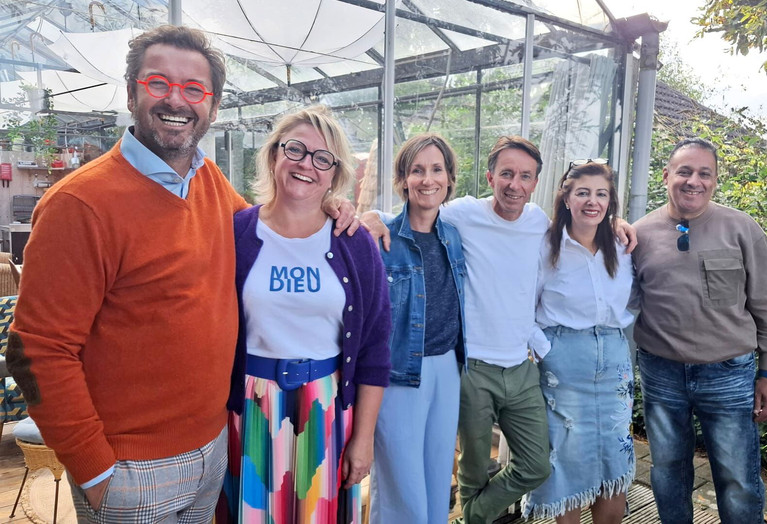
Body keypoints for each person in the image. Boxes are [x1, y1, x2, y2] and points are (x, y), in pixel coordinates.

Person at [7, 25, 247, 523]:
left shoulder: (210, 182)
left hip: (210, 451)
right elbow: (38, 351)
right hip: (130, 469)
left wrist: (338, 217)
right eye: (158, 83)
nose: (175, 100)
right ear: (134, 89)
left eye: (193, 89)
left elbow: (270, 234)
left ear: (213, 105)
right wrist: (96, 473)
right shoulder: (81, 203)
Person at [364, 137, 636, 524]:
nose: (515, 184)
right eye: (506, 173)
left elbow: (583, 230)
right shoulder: (461, 214)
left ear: (535, 183)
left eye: (525, 176)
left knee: (536, 465)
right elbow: (415, 210)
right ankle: (470, 510)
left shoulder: (540, 224)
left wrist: (615, 221)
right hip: (472, 368)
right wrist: (373, 216)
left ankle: (470, 516)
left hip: (522, 367)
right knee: (471, 468)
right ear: (490, 177)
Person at [223, 106, 391, 523]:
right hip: (249, 410)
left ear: (334, 175)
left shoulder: (354, 243)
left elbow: (375, 347)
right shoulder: (235, 233)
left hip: (327, 410)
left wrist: (364, 438)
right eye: (295, 150)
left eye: (322, 159)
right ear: (273, 155)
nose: (306, 165)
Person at [631, 137, 767, 524]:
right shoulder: (639, 235)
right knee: (667, 473)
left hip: (729, 374)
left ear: (716, 181)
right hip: (661, 373)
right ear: (666, 176)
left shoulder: (741, 229)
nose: (693, 181)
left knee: (738, 478)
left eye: (704, 173)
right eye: (684, 171)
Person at [523, 161, 636, 524]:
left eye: (601, 194)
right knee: (568, 459)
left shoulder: (622, 245)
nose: (593, 201)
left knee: (614, 458)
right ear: (567, 198)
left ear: (611, 202)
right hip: (564, 364)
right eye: (583, 193)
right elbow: (523, 305)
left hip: (615, 362)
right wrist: (545, 349)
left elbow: (637, 297)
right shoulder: (544, 245)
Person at [367, 133, 467, 524]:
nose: (428, 180)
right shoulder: (382, 237)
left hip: (448, 369)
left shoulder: (454, 236)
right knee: (399, 483)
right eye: (417, 170)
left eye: (437, 169)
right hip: (398, 373)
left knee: (438, 473)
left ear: (449, 178)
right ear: (403, 180)